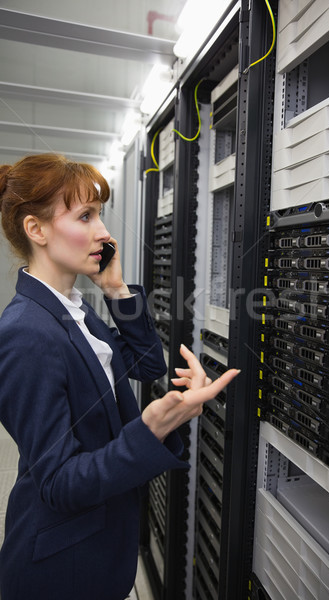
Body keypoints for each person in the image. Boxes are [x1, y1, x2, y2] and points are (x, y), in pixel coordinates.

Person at [0, 153, 239, 600]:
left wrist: (115, 289)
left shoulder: (73, 309)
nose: (104, 233)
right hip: (59, 571)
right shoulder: (25, 333)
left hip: (99, 551)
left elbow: (147, 365)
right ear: (37, 229)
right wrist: (150, 431)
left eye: (100, 215)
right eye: (85, 216)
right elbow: (58, 483)